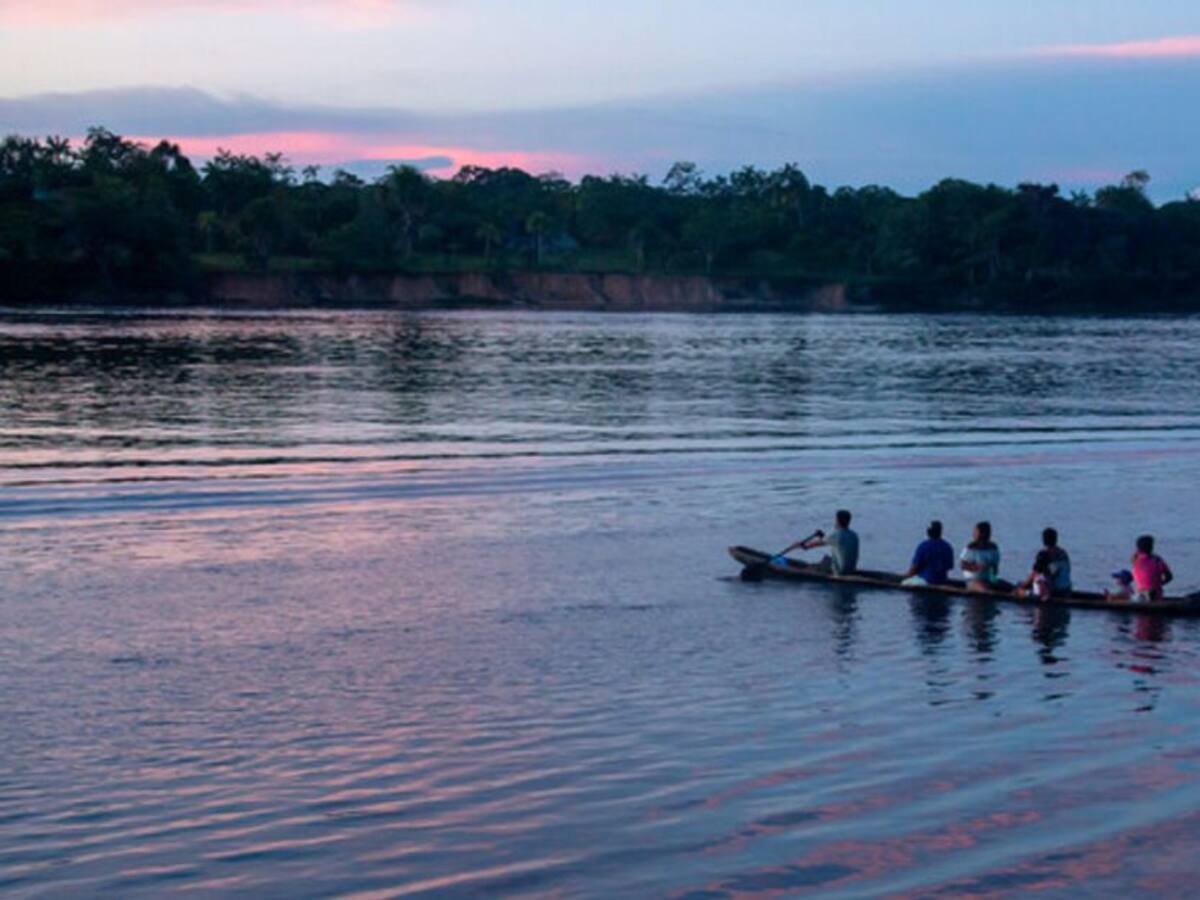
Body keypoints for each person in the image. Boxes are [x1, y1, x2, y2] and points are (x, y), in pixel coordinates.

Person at [786, 509, 859, 575]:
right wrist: (821, 536)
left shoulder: (836, 535)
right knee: (827, 560)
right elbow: (831, 540)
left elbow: (808, 546)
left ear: (838, 521)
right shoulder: (854, 535)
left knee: (815, 566)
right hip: (850, 570)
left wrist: (799, 545)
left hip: (839, 572)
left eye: (835, 520)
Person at [902, 520, 955, 587]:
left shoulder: (924, 546)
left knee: (904, 583)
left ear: (928, 532)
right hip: (941, 581)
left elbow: (914, 568)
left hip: (925, 581)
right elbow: (948, 568)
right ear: (940, 532)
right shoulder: (948, 547)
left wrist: (905, 577)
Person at [960, 521, 1001, 593]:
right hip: (972, 580)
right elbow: (962, 565)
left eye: (976, 532)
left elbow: (995, 568)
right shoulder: (971, 547)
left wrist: (994, 581)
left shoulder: (993, 548)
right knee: (985, 590)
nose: (973, 534)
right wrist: (976, 567)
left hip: (988, 580)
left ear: (983, 534)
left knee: (1007, 586)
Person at [1131, 535, 1173, 602]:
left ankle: (1147, 594)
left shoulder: (1135, 560)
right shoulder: (1158, 560)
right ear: (1151, 547)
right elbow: (1169, 577)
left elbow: (1135, 556)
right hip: (1157, 595)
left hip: (1141, 595)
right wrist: (1159, 584)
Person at [1040, 528, 1072, 593]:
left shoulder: (1045, 554)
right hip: (1067, 588)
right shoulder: (1063, 553)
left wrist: (1023, 586)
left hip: (1055, 591)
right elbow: (1068, 570)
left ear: (1044, 540)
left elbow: (1037, 574)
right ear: (1056, 540)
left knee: (1038, 577)